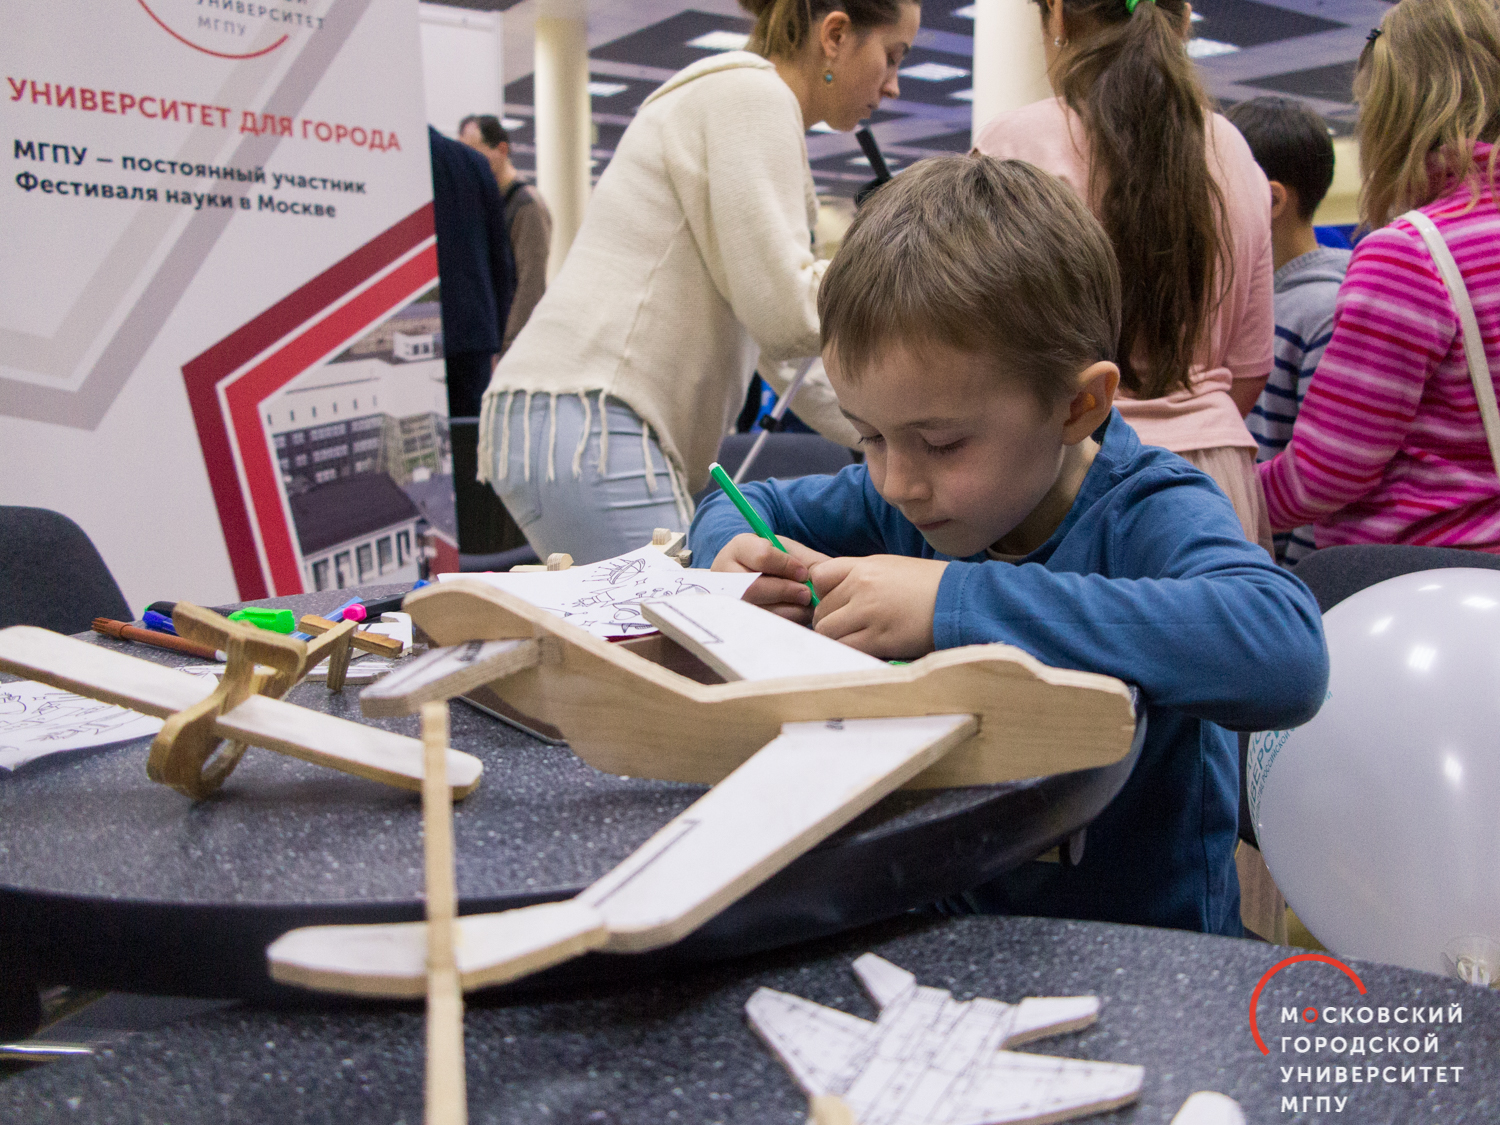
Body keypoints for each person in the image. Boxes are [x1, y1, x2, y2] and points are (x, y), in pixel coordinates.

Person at [690, 156, 1328, 935]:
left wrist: (951, 602)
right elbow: (739, 504)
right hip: (941, 925)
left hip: (1143, 955)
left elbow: (1286, 649)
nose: (895, 482)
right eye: (869, 437)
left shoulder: (1147, 510)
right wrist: (730, 555)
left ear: (1078, 405)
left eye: (942, 443)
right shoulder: (904, 497)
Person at [476, 0, 920, 565]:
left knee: (668, 613)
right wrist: (903, 270)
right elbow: (788, 314)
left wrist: (895, 427)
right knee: (686, 616)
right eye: (892, 56)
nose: (893, 86)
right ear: (834, 35)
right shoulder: (752, 95)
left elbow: (786, 358)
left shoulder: (733, 97)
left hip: (567, 418)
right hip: (593, 420)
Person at [973, 0, 1275, 553]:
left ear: (1058, 14)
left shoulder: (1012, 147)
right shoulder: (1233, 148)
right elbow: (1250, 370)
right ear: (1184, 17)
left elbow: (975, 353)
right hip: (1212, 481)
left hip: (1065, 478)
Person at [1258, 0, 1500, 551]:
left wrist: (1207, 499)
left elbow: (1327, 473)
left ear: (1395, 110)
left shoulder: (1411, 254)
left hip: (1419, 574)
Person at [1226, 96, 1350, 566]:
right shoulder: (1244, 298)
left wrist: (1298, 583)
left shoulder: (1325, 311)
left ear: (1272, 199)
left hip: (1296, 577)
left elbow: (1324, 479)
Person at [427, 125, 517, 554]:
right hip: (473, 332)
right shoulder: (471, 164)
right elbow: (502, 260)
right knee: (473, 454)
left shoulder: (394, 152)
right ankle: (482, 549)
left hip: (416, 334)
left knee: (429, 456)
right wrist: (495, 336)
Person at [458, 114, 553, 356]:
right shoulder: (486, 203)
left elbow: (531, 285)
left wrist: (509, 347)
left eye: (474, 152)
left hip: (511, 347)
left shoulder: (526, 204)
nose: (468, 162)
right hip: (487, 340)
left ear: (501, 149)